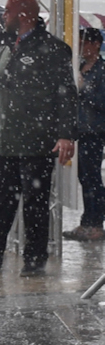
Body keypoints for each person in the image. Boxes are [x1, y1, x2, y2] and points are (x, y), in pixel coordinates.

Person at [0, 0, 76, 275]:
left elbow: (67, 94)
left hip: (37, 141)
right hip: (7, 139)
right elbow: (1, 87)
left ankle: (34, 260)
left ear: (24, 15)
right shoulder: (8, 47)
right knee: (0, 203)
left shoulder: (53, 48)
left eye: (8, 12)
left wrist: (66, 134)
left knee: (35, 205)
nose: (4, 17)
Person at [64, 28, 105, 242]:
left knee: (92, 177)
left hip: (94, 131)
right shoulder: (78, 66)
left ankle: (95, 222)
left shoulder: (101, 70)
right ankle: (87, 220)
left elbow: (101, 101)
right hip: (78, 130)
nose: (81, 48)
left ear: (96, 44)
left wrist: (84, 89)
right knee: (84, 177)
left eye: (84, 43)